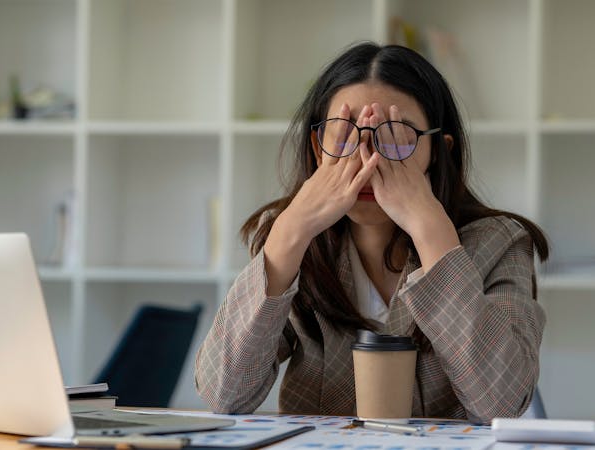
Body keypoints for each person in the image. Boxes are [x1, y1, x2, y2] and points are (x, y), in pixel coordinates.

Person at [194, 42, 548, 424]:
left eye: (395, 136)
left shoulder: (500, 242)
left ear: (439, 151)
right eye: (344, 134)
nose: (367, 159)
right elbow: (222, 395)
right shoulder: (291, 239)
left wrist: (433, 235)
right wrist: (290, 232)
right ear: (317, 148)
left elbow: (501, 404)